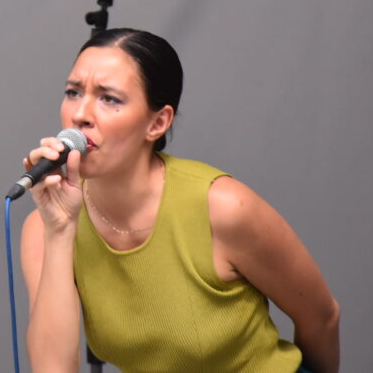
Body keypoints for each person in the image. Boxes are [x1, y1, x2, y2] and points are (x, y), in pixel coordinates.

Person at [20, 28, 339, 373]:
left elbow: (323, 318)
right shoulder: (45, 227)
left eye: (109, 98)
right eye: (73, 92)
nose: (80, 114)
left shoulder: (222, 207)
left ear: (158, 123)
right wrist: (60, 229)